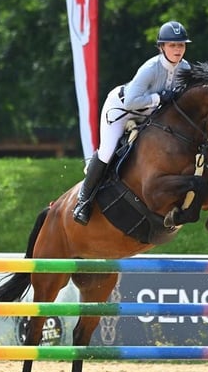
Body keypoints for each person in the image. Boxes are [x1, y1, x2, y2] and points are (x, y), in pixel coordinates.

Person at [72, 20, 193, 225]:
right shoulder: (150, 68)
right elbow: (131, 101)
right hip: (121, 110)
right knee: (108, 150)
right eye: (172, 45)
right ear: (161, 47)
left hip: (148, 114)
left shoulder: (185, 68)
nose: (177, 50)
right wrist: (159, 98)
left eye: (181, 45)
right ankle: (83, 200)